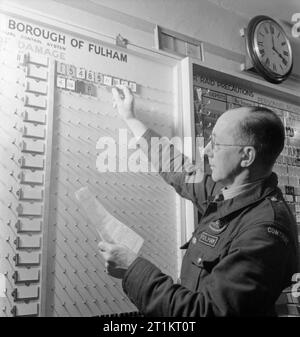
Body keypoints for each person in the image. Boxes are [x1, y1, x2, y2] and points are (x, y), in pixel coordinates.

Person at [98, 85, 299, 316]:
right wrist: (131, 118)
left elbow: (204, 313)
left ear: (246, 156)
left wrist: (132, 269)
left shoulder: (264, 233)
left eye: (216, 143)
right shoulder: (229, 195)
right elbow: (179, 169)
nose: (206, 150)